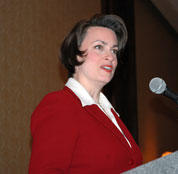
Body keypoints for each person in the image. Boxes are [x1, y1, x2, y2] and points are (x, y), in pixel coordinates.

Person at [29, 14, 143, 174]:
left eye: (114, 50)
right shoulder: (60, 105)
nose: (110, 56)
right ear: (76, 54)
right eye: (99, 47)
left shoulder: (111, 114)